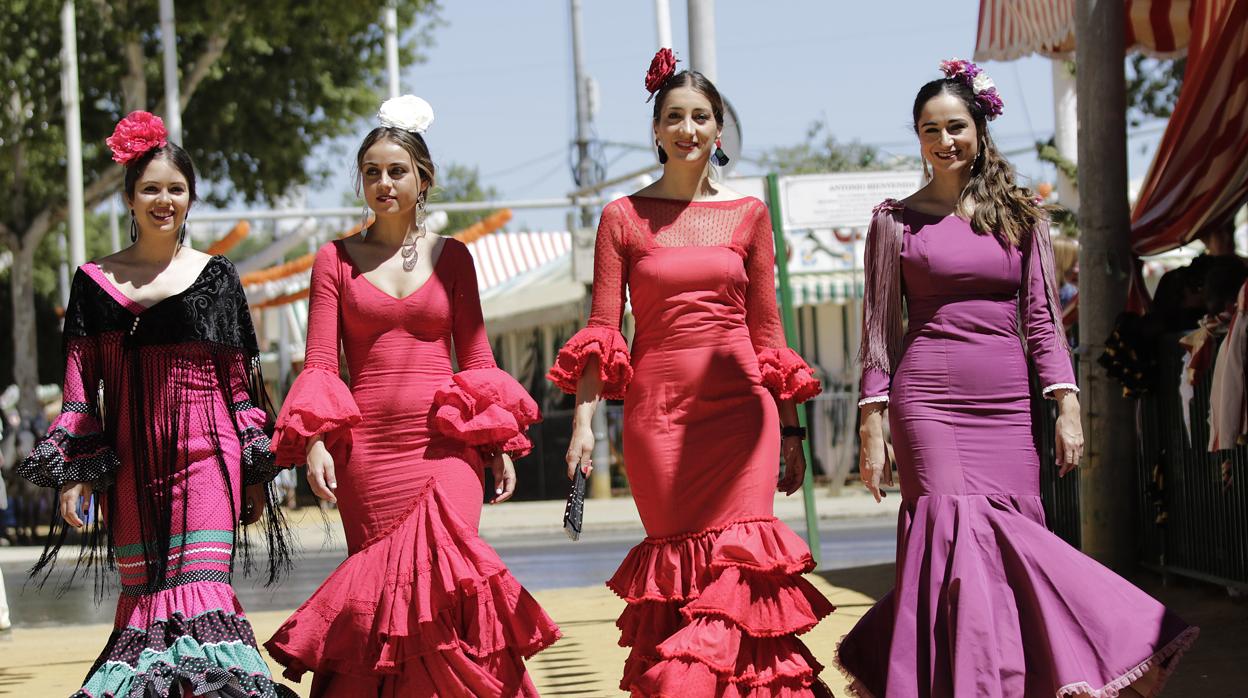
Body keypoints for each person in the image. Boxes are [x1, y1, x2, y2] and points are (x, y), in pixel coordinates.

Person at [836, 60, 1198, 697]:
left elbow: (1042, 319)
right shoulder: (894, 221)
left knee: (1011, 541)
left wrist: (1066, 403)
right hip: (927, 400)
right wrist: (873, 419)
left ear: (979, 128)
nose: (944, 141)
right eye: (929, 130)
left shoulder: (1024, 215)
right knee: (952, 533)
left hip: (1004, 404)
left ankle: (1058, 662)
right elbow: (877, 329)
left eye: (955, 126)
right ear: (917, 138)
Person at [548, 49, 834, 697]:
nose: (688, 129)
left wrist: (790, 434)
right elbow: (602, 332)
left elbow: (768, 335)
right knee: (681, 571)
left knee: (742, 569)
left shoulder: (749, 216)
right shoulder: (622, 216)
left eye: (701, 116)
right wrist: (585, 426)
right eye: (675, 116)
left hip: (743, 415)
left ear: (719, 129)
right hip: (660, 418)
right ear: (655, 129)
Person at [263, 95, 559, 698]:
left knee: (449, 582)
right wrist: (317, 441)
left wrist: (497, 443)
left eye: (396, 170)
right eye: (371, 171)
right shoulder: (333, 260)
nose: (383, 182)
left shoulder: (454, 257)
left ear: (422, 179)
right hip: (368, 456)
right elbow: (322, 361)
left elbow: (476, 360)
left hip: (445, 452)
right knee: (381, 602)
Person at [17, 111, 294, 697]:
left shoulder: (217, 276)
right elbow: (78, 391)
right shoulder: (93, 282)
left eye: (176, 188)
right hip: (130, 471)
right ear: (129, 197)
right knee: (144, 599)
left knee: (199, 590)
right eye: (151, 189)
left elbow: (239, 388)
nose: (164, 199)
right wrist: (75, 477)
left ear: (190, 198)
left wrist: (251, 474)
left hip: (207, 459)